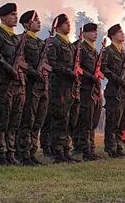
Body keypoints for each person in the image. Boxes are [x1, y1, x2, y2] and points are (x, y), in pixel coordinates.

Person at [0, 2, 26, 165]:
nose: (15, 17)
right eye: (12, 14)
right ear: (2, 17)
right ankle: (0, 153)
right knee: (2, 120)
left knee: (14, 121)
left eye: (16, 14)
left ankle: (10, 152)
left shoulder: (17, 38)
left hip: (18, 85)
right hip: (3, 84)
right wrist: (9, 68)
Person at [16, 10, 49, 166]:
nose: (39, 22)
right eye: (35, 20)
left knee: (38, 121)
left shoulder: (41, 43)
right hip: (29, 85)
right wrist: (32, 72)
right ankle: (23, 153)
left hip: (42, 86)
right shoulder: (21, 40)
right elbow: (19, 61)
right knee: (27, 120)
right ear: (26, 24)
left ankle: (32, 151)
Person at [47, 14, 80, 163]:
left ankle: (65, 150)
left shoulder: (70, 45)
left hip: (70, 88)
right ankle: (57, 152)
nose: (68, 25)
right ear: (57, 26)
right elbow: (51, 64)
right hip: (59, 87)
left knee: (67, 120)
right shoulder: (54, 43)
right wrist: (67, 72)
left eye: (69, 23)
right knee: (59, 119)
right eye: (65, 23)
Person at [102, 23, 125, 158]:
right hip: (113, 90)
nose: (122, 34)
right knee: (112, 121)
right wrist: (115, 77)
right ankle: (111, 148)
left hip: (124, 91)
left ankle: (119, 147)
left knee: (121, 121)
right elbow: (103, 68)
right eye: (119, 32)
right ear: (112, 36)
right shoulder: (108, 51)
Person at [77, 23, 103, 161]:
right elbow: (78, 67)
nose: (95, 33)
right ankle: (85, 149)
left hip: (95, 89)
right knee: (86, 121)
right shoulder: (81, 48)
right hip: (85, 89)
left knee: (93, 121)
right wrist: (91, 76)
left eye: (96, 31)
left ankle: (91, 149)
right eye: (92, 31)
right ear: (84, 34)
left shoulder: (95, 50)